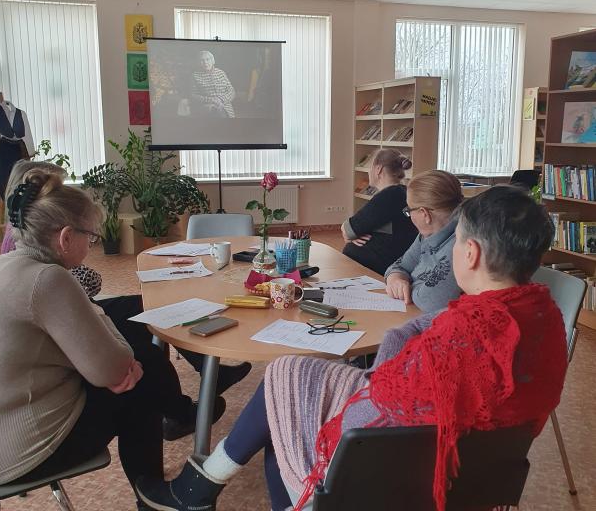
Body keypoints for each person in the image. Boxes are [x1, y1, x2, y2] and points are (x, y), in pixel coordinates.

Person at [136, 185, 568, 511]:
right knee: (292, 371)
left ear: (469, 253)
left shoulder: (455, 344)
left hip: (395, 472)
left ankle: (212, 488)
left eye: (455, 242)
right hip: (474, 472)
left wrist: (325, 417)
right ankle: (205, 482)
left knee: (288, 408)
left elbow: (372, 418)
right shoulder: (543, 322)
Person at [0, 169, 225, 511]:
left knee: (141, 368)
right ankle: (155, 498)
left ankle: (164, 463)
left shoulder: (0, 265)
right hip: (21, 450)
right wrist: (111, 345)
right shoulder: (49, 279)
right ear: (66, 238)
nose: (92, 243)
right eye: (90, 236)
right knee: (140, 383)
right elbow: (115, 369)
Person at [0, 159, 252, 401]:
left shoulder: (16, 245)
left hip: (61, 335)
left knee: (150, 313)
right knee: (145, 349)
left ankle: (194, 387)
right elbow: (88, 291)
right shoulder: (46, 273)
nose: (92, 243)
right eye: (90, 237)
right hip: (60, 348)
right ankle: (182, 405)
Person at [384, 169, 464, 312]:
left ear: (424, 214)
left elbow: (430, 301)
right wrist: (396, 279)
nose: (409, 216)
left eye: (409, 210)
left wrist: (407, 285)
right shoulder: (426, 235)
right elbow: (399, 266)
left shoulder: (461, 244)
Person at [341, 149, 418, 275]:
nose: (368, 172)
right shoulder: (401, 192)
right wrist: (352, 232)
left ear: (378, 169)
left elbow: (349, 230)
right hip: (387, 263)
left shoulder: (389, 195)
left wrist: (350, 232)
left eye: (370, 167)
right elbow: (353, 229)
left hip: (377, 269)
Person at [191, 51, 235, 118]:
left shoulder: (221, 73)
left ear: (212, 61)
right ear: (198, 63)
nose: (205, 62)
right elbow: (193, 95)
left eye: (207, 59)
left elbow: (231, 91)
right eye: (202, 60)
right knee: (216, 112)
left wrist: (221, 99)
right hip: (207, 106)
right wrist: (211, 100)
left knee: (222, 113)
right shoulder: (195, 75)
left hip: (225, 105)